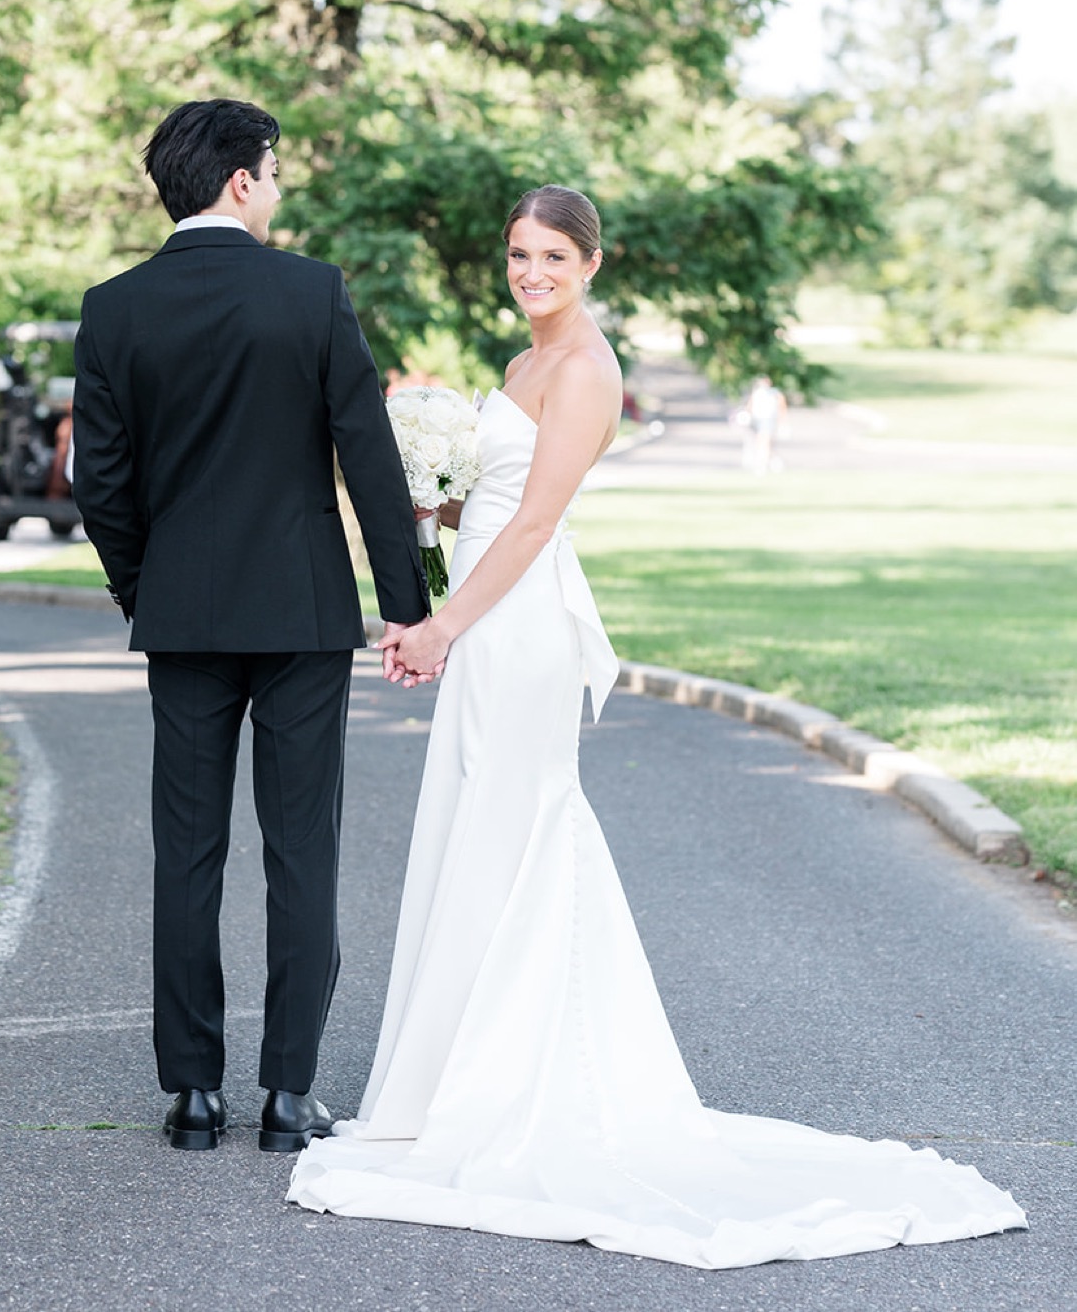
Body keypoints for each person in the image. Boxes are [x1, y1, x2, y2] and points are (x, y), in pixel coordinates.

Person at [287, 185, 1025, 1267]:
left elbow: (538, 519)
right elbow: (494, 498)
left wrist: (441, 619)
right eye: (518, 253)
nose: (530, 270)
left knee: (518, 832)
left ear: (592, 262)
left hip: (518, 623)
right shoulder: (521, 363)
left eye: (551, 255)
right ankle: (452, 1077)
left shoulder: (586, 369)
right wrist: (436, 509)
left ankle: (516, 1085)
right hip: (488, 614)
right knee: (475, 836)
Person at [69, 98, 430, 1155]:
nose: (278, 189)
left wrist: (146, 585)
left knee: (186, 852)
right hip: (305, 612)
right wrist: (409, 607)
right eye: (273, 171)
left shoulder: (114, 306)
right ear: (239, 180)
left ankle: (190, 1096)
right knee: (301, 848)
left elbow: (102, 482)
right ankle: (287, 1096)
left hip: (182, 612)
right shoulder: (312, 292)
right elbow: (367, 455)